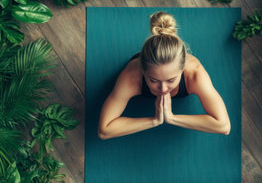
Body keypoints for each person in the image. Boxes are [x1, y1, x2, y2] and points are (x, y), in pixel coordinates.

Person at [98, 12, 231, 140]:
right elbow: (104, 130)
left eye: (171, 80)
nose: (162, 88)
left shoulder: (194, 73)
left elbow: (224, 126)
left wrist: (172, 118)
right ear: (143, 71)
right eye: (153, 80)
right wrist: (154, 121)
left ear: (182, 70)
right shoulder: (132, 75)